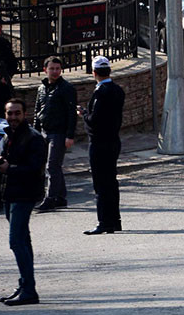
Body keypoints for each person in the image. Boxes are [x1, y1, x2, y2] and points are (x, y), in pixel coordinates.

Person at [0, 98, 47, 306]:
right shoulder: (10, 134)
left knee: (16, 241)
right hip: (10, 193)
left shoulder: (33, 138)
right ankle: (25, 285)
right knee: (23, 240)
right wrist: (1, 163)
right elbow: (9, 159)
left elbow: (34, 169)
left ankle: (29, 290)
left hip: (24, 195)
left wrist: (10, 169)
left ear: (25, 114)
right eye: (10, 113)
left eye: (17, 113)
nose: (13, 117)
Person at [78, 56, 124, 235]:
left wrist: (84, 114)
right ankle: (115, 220)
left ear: (94, 73)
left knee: (101, 184)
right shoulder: (118, 90)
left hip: (99, 143)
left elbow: (94, 120)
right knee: (111, 182)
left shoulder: (100, 93)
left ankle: (104, 221)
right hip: (114, 140)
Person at [34, 56, 77, 212]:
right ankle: (60, 197)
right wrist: (35, 132)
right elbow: (37, 111)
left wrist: (70, 135)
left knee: (52, 166)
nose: (55, 72)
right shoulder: (42, 88)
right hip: (44, 131)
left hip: (59, 133)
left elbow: (71, 113)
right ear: (45, 70)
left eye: (57, 69)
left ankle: (50, 198)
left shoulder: (66, 88)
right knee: (55, 166)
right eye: (52, 69)